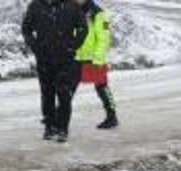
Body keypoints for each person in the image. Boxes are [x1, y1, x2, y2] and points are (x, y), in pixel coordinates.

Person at [22, 0, 87, 142]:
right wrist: (35, 47)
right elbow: (26, 29)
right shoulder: (35, 5)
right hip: (44, 59)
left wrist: (72, 46)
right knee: (47, 94)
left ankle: (63, 128)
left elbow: (83, 28)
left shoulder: (72, 6)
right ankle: (49, 127)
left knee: (64, 94)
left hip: (65, 59)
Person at [75, 0, 118, 130]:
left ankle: (112, 117)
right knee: (66, 89)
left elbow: (104, 37)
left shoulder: (99, 14)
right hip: (74, 57)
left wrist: (98, 58)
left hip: (93, 58)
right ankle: (59, 119)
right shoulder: (70, 10)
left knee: (101, 87)